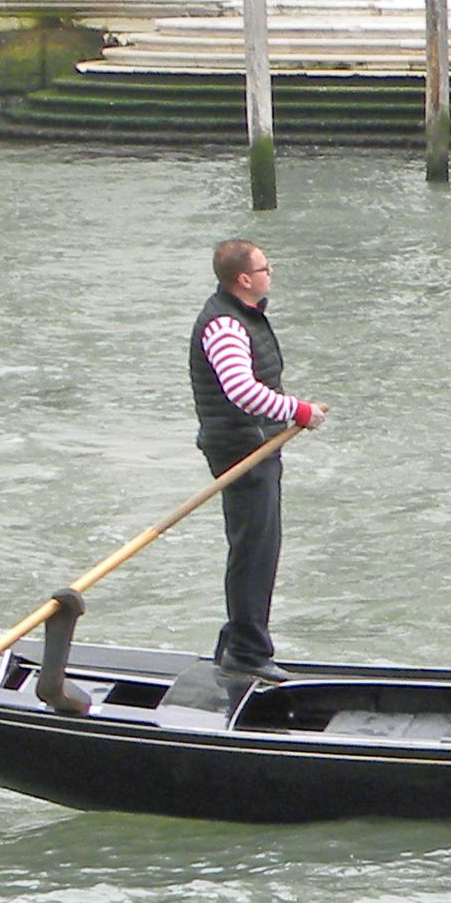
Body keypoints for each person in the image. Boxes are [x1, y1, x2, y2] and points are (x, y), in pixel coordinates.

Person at [187, 238, 321, 685]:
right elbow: (241, 391)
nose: (270, 273)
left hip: (254, 444)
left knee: (258, 546)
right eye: (265, 268)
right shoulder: (225, 326)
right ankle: (246, 652)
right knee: (255, 549)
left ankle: (236, 643)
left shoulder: (242, 316)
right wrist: (298, 410)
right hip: (242, 450)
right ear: (244, 279)